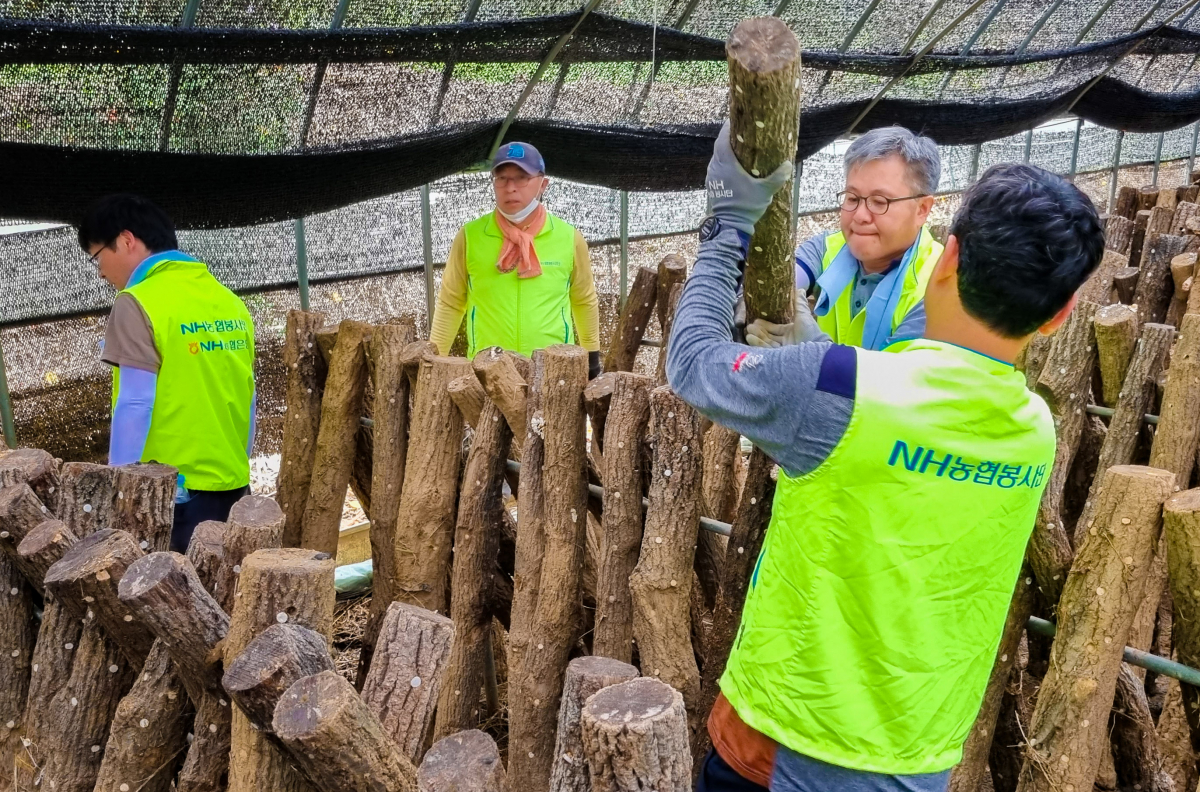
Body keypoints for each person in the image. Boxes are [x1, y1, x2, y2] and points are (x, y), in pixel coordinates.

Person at [669, 124, 1103, 791]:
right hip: (918, 753)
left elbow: (693, 362)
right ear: (1060, 313)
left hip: (787, 736)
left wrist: (728, 223)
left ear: (946, 256)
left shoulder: (840, 386)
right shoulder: (1034, 430)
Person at [79, 194, 256, 553]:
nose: (99, 271)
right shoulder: (227, 299)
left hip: (172, 498)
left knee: (170, 601)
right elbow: (248, 396)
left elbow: (135, 401)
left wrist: (120, 488)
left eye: (97, 256)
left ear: (127, 240)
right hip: (235, 489)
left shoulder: (138, 300)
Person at [745, 126, 941, 352]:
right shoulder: (826, 248)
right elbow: (780, 281)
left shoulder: (940, 287)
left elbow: (894, 380)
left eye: (879, 201)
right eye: (852, 198)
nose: (859, 216)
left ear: (922, 209)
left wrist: (818, 350)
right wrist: (745, 299)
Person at [428, 141, 602, 376]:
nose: (510, 187)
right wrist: (434, 360)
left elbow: (584, 300)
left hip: (553, 371)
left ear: (543, 184)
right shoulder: (470, 236)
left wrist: (592, 358)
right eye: (502, 178)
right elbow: (451, 302)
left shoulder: (569, 237)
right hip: (486, 370)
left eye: (521, 177)